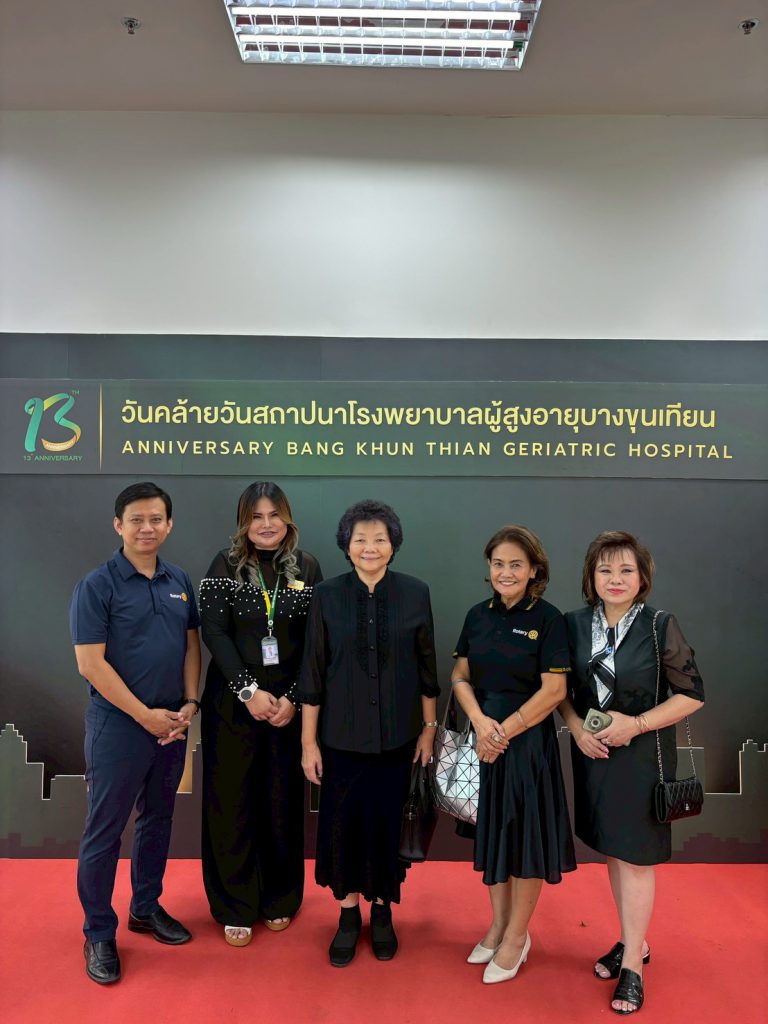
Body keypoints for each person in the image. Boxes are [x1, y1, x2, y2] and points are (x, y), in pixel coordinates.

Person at [559, 531, 704, 1015]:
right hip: (594, 753)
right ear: (591, 577)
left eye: (626, 570)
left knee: (637, 858)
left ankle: (634, 968)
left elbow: (692, 695)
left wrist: (636, 725)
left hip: (643, 756)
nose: (615, 579)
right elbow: (561, 692)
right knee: (615, 852)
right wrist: (576, 729)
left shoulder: (660, 625)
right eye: (605, 570)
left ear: (642, 577)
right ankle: (631, 940)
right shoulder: (573, 625)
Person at [297, 499, 439, 967]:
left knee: (385, 829)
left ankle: (382, 913)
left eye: (380, 539)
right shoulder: (326, 596)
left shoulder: (415, 593)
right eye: (361, 539)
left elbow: (427, 668)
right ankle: (347, 916)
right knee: (343, 829)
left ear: (393, 545)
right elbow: (313, 673)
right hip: (340, 740)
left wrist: (428, 730)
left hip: (398, 740)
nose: (370, 547)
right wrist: (308, 743)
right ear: (347, 545)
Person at [70, 481, 201, 985]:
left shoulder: (179, 579)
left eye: (156, 519)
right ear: (118, 525)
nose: (147, 528)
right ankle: (99, 932)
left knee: (158, 819)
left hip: (171, 726)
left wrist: (189, 703)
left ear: (169, 525)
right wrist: (145, 716)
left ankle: (145, 907)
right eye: (137, 520)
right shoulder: (97, 585)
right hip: (119, 728)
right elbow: (90, 664)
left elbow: (191, 646)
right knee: (105, 832)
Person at [451, 524, 576, 985]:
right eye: (498, 563)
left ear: (534, 570)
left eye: (516, 565)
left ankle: (518, 937)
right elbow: (460, 677)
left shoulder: (549, 618)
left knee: (525, 843)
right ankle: (499, 926)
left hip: (526, 748)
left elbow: (555, 690)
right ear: (489, 567)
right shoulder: (476, 615)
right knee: (495, 838)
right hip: (484, 742)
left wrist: (504, 730)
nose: (506, 572)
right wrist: (481, 724)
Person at [199, 482, 322, 946]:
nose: (266, 524)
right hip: (234, 703)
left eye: (274, 515)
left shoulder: (307, 566)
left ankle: (279, 897)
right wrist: (248, 691)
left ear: (287, 518)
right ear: (243, 522)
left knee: (280, 801)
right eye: (256, 517)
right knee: (231, 802)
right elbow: (214, 632)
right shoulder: (224, 565)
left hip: (287, 708)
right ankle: (235, 903)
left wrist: (293, 697)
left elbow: (315, 640)